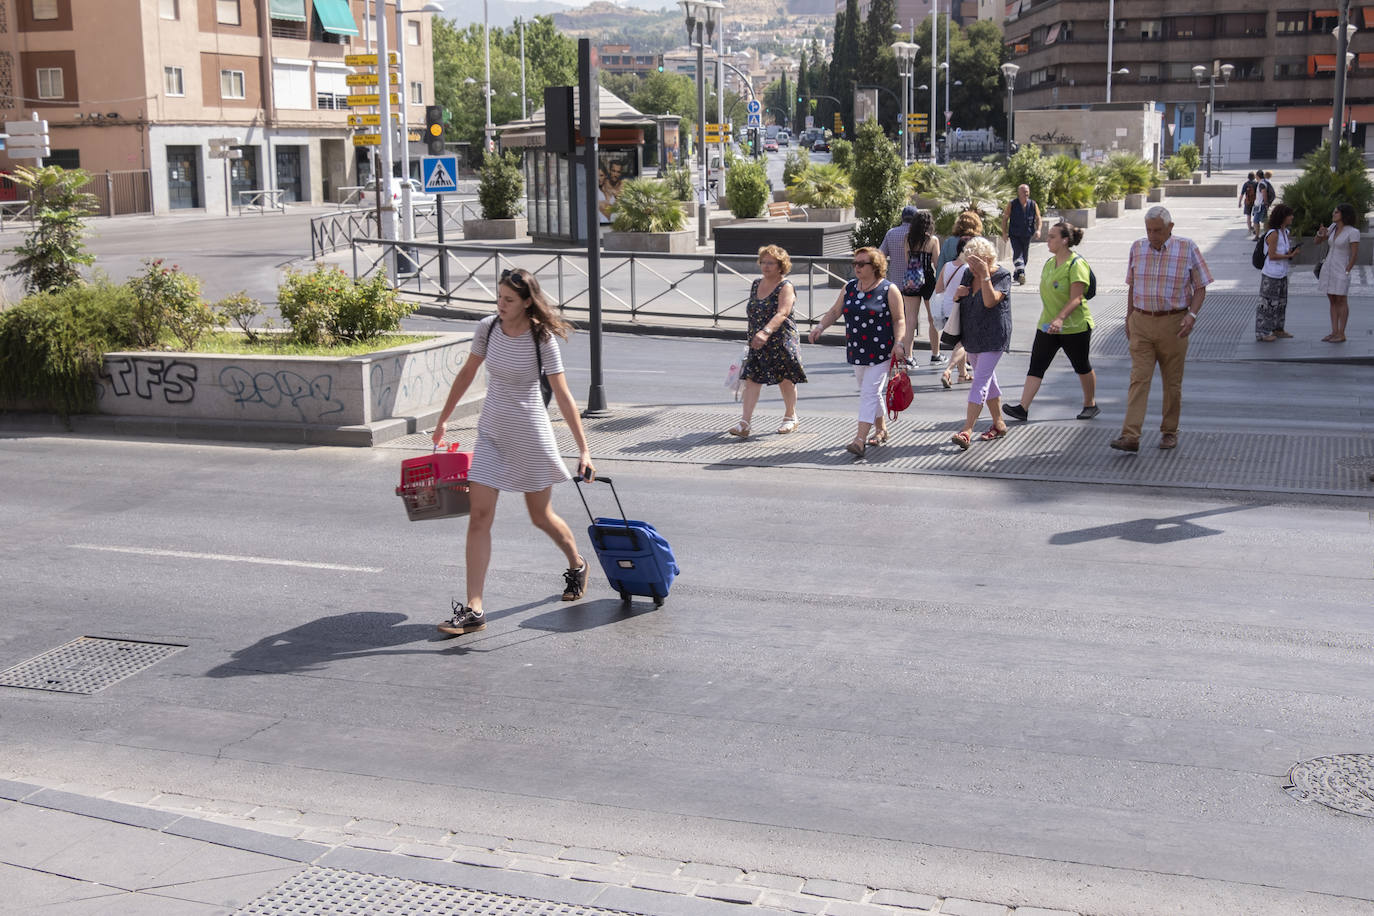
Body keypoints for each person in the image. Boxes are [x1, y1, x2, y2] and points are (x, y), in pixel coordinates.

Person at [430, 268, 597, 636]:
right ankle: (474, 608)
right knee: (479, 516)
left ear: (526, 302)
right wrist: (443, 419)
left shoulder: (542, 338)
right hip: (491, 433)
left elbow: (564, 396)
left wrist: (584, 450)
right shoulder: (488, 328)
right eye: (499, 297)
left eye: (508, 299)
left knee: (540, 516)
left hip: (530, 436)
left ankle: (577, 563)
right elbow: (467, 373)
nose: (500, 305)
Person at [1111, 206, 1213, 453]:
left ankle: (1169, 431)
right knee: (1139, 379)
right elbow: (1132, 285)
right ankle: (1130, 435)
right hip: (1142, 321)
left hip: (1173, 323)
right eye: (1149, 230)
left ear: (1170, 227)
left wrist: (1191, 315)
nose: (1152, 235)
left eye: (1157, 230)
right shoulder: (1137, 248)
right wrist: (1129, 317)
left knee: (1172, 382)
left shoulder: (1187, 248)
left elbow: (1201, 286)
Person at [807, 246, 907, 458]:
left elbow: (899, 319)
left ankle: (859, 440)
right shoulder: (850, 287)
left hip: (882, 351)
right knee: (870, 391)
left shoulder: (889, 289)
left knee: (868, 392)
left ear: (875, 266)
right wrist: (819, 327)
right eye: (855, 263)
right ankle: (881, 429)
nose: (857, 267)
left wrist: (899, 343)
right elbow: (835, 311)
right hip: (857, 350)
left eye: (862, 264)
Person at [1002, 221, 1099, 422]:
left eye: (1052, 236)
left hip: (1074, 327)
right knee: (1036, 365)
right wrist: (1053, 320)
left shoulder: (1076, 264)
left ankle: (1090, 404)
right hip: (1047, 325)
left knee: (1081, 365)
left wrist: (1061, 318)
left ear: (1064, 240)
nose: (1048, 240)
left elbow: (1076, 298)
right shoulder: (1049, 263)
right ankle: (1023, 408)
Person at [728, 245, 808, 437]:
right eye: (763, 262)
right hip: (757, 340)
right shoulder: (756, 284)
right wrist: (756, 335)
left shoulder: (785, 286)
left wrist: (766, 331)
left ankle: (790, 417)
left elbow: (783, 312)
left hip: (781, 339)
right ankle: (745, 423)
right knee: (752, 378)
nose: (765, 266)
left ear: (781, 265)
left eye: (770, 263)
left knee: (785, 378)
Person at [947, 236, 1012, 449]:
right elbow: (960, 300)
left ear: (988, 259)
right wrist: (957, 295)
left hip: (994, 336)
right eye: (970, 263)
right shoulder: (968, 273)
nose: (972, 268)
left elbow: (990, 301)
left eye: (976, 263)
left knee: (980, 381)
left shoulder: (1002, 275)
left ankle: (967, 430)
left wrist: (984, 276)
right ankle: (999, 423)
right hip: (972, 334)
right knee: (988, 379)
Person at [879, 206, 942, 369]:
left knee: (910, 319)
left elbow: (908, 261)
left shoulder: (908, 238)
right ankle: (935, 354)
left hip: (911, 279)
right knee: (932, 318)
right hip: (928, 279)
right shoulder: (932, 240)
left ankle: (909, 356)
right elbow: (937, 263)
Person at [933, 234, 975, 389]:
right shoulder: (968, 269)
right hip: (963, 308)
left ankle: (963, 374)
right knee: (964, 343)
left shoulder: (947, 266)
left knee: (958, 342)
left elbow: (938, 289)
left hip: (947, 308)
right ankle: (948, 371)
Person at [1315, 202, 1360, 343]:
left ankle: (1341, 333)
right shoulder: (1333, 227)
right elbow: (1317, 241)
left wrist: (1347, 270)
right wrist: (1320, 233)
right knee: (1332, 300)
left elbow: (1354, 254)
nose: (1333, 214)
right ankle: (1334, 332)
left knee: (1341, 300)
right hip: (1328, 267)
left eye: (1336, 212)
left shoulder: (1353, 232)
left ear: (1344, 215)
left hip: (1341, 269)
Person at [1255, 204, 1300, 342]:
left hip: (1282, 273)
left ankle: (1278, 329)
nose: (1292, 217)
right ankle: (1262, 332)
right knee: (1267, 304)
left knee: (1281, 303)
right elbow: (1272, 255)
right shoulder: (1273, 234)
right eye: (1290, 215)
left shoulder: (1285, 232)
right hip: (1271, 274)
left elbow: (1281, 251)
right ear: (1283, 217)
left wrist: (1290, 252)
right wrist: (1289, 255)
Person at [1000, 184, 1042, 285]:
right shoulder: (1012, 204)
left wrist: (1038, 230)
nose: (1026, 194)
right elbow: (1005, 219)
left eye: (1027, 192)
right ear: (1019, 193)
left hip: (1027, 234)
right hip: (1014, 234)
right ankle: (1022, 273)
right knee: (1018, 253)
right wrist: (1004, 233)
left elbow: (1038, 218)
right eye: (1024, 192)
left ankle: (1017, 274)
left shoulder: (1033, 204)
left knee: (1025, 258)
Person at [1251, 170, 1273, 238]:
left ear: (1257, 176)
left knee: (1256, 221)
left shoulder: (1262, 184)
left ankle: (1257, 236)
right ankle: (1266, 235)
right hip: (1259, 205)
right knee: (1264, 221)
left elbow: (1264, 194)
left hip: (1261, 205)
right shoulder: (1262, 182)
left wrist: (1266, 204)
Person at [1239, 172, 1258, 237]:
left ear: (1248, 177)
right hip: (1255, 201)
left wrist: (1239, 202)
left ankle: (1249, 229)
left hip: (1248, 201)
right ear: (1254, 177)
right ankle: (1255, 228)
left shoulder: (1246, 184)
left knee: (1248, 216)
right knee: (1256, 215)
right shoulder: (1256, 183)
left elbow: (1242, 194)